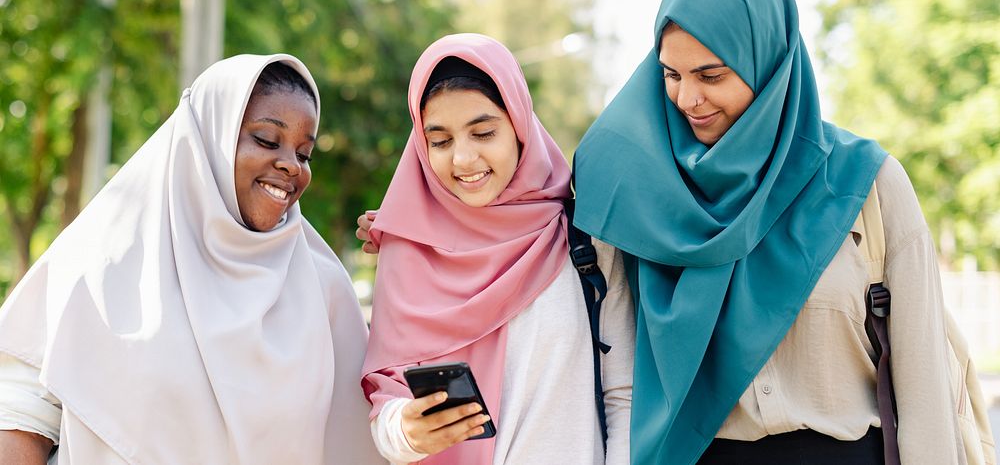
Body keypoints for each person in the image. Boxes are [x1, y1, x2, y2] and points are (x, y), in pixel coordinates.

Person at [571, 0, 964, 464]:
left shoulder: (864, 182)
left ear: (771, 64)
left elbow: (923, 383)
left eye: (711, 75)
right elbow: (609, 374)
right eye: (671, 74)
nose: (687, 98)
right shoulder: (638, 192)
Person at [0, 55, 385, 464]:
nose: (291, 165)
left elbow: (378, 426)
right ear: (206, 141)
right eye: (268, 141)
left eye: (304, 154)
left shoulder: (324, 288)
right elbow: (19, 414)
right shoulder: (97, 263)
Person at [359, 33, 634, 465]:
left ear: (520, 126)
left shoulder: (582, 239)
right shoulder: (408, 252)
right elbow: (386, 404)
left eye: (483, 132)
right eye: (441, 141)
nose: (464, 160)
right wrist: (408, 431)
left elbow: (623, 395)